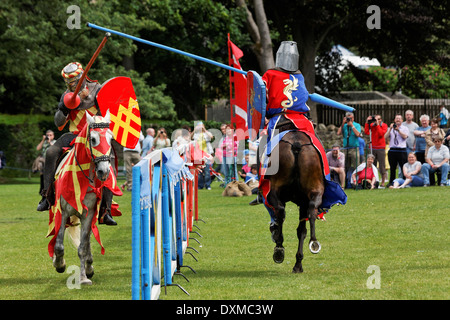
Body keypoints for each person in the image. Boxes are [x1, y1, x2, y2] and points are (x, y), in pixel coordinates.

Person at [250, 41, 335, 208]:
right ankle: (325, 179)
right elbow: (302, 98)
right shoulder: (300, 76)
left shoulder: (270, 74)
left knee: (264, 148)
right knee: (317, 145)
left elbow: (262, 98)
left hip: (279, 119)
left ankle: (262, 190)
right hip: (302, 121)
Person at [337, 111, 362, 182]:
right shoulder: (344, 126)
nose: (349, 120)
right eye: (348, 118)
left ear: (353, 118)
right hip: (346, 148)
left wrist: (352, 126)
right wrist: (343, 123)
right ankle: (345, 182)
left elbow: (358, 134)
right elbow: (338, 133)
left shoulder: (357, 125)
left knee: (356, 166)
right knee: (345, 166)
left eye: (350, 118)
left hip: (354, 148)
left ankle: (357, 182)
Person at [384, 114, 409, 186]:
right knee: (392, 167)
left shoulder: (404, 128)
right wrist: (390, 129)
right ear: (394, 120)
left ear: (402, 120)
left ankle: (404, 182)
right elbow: (385, 137)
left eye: (399, 119)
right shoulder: (391, 128)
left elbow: (405, 136)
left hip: (401, 150)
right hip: (392, 150)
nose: (398, 120)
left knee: (403, 167)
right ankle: (391, 182)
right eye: (396, 118)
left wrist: (398, 130)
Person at [365, 114, 388, 186]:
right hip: (373, 147)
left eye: (378, 119)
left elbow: (381, 134)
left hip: (380, 148)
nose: (376, 121)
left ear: (380, 120)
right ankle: (373, 181)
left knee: (382, 166)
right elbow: (366, 132)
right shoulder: (372, 125)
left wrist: (377, 125)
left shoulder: (384, 125)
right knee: (372, 165)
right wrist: (367, 122)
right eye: (375, 119)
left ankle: (383, 182)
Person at [192, 122, 214, 190]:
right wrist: (194, 130)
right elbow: (190, 137)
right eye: (199, 126)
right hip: (198, 154)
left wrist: (204, 129)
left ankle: (208, 185)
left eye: (201, 126)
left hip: (206, 154)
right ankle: (200, 185)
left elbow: (211, 137)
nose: (200, 127)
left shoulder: (206, 133)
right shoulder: (196, 134)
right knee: (199, 171)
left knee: (207, 170)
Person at [34, 130, 56, 194]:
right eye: (47, 135)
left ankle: (51, 189)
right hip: (44, 160)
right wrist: (43, 140)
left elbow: (54, 149)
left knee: (51, 176)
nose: (48, 136)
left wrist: (49, 142)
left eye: (50, 135)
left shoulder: (55, 142)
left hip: (52, 161)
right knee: (42, 175)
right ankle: (42, 189)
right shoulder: (44, 142)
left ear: (53, 136)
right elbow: (38, 148)